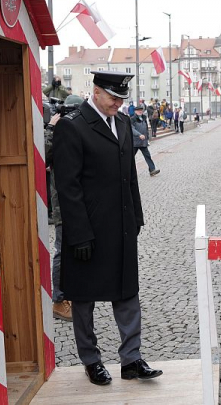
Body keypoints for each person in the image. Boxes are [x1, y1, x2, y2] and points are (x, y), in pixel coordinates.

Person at [53, 70, 163, 386]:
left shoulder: (125, 124)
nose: (118, 103)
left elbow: (129, 175)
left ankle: (131, 359)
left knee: (127, 292)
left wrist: (136, 217)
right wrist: (79, 234)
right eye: (113, 97)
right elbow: (68, 187)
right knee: (84, 298)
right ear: (96, 92)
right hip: (87, 230)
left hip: (121, 227)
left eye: (121, 98)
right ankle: (91, 361)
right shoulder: (72, 127)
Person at [45, 94, 84, 322]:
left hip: (78, 201)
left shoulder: (76, 129)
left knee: (73, 250)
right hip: (62, 203)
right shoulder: (57, 130)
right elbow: (43, 152)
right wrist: (51, 127)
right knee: (62, 250)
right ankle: (59, 300)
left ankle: (69, 295)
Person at [131, 104, 160, 176]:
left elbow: (146, 128)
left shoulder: (144, 118)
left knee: (147, 156)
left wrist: (147, 138)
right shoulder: (132, 119)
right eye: (138, 110)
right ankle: (127, 170)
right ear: (135, 111)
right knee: (130, 157)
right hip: (135, 142)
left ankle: (152, 170)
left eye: (141, 110)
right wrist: (139, 135)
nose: (140, 112)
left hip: (143, 142)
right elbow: (132, 129)